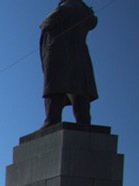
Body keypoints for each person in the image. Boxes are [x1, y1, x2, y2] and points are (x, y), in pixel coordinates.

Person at [40, 0, 99, 128]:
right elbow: (92, 22)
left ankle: (52, 120)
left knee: (55, 88)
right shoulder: (85, 12)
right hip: (79, 54)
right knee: (80, 90)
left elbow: (45, 24)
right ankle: (83, 121)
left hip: (60, 54)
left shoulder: (66, 8)